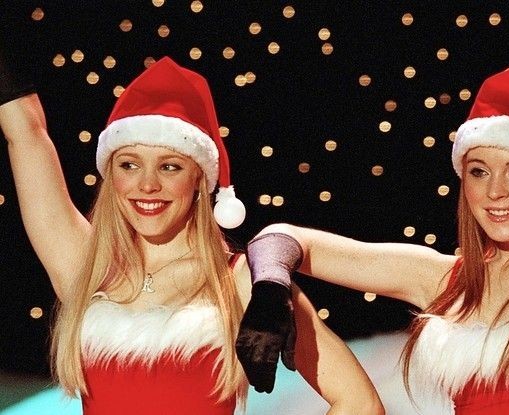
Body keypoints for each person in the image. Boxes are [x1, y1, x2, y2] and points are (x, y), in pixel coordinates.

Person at [0, 47, 385, 414]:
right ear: (110, 175)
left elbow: (360, 403)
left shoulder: (242, 281)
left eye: (169, 167)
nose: (147, 185)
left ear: (199, 179)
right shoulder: (86, 268)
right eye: (129, 165)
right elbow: (26, 132)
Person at [235, 63, 509, 414]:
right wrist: (271, 290)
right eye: (479, 172)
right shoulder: (445, 280)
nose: (495, 192)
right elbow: (280, 238)